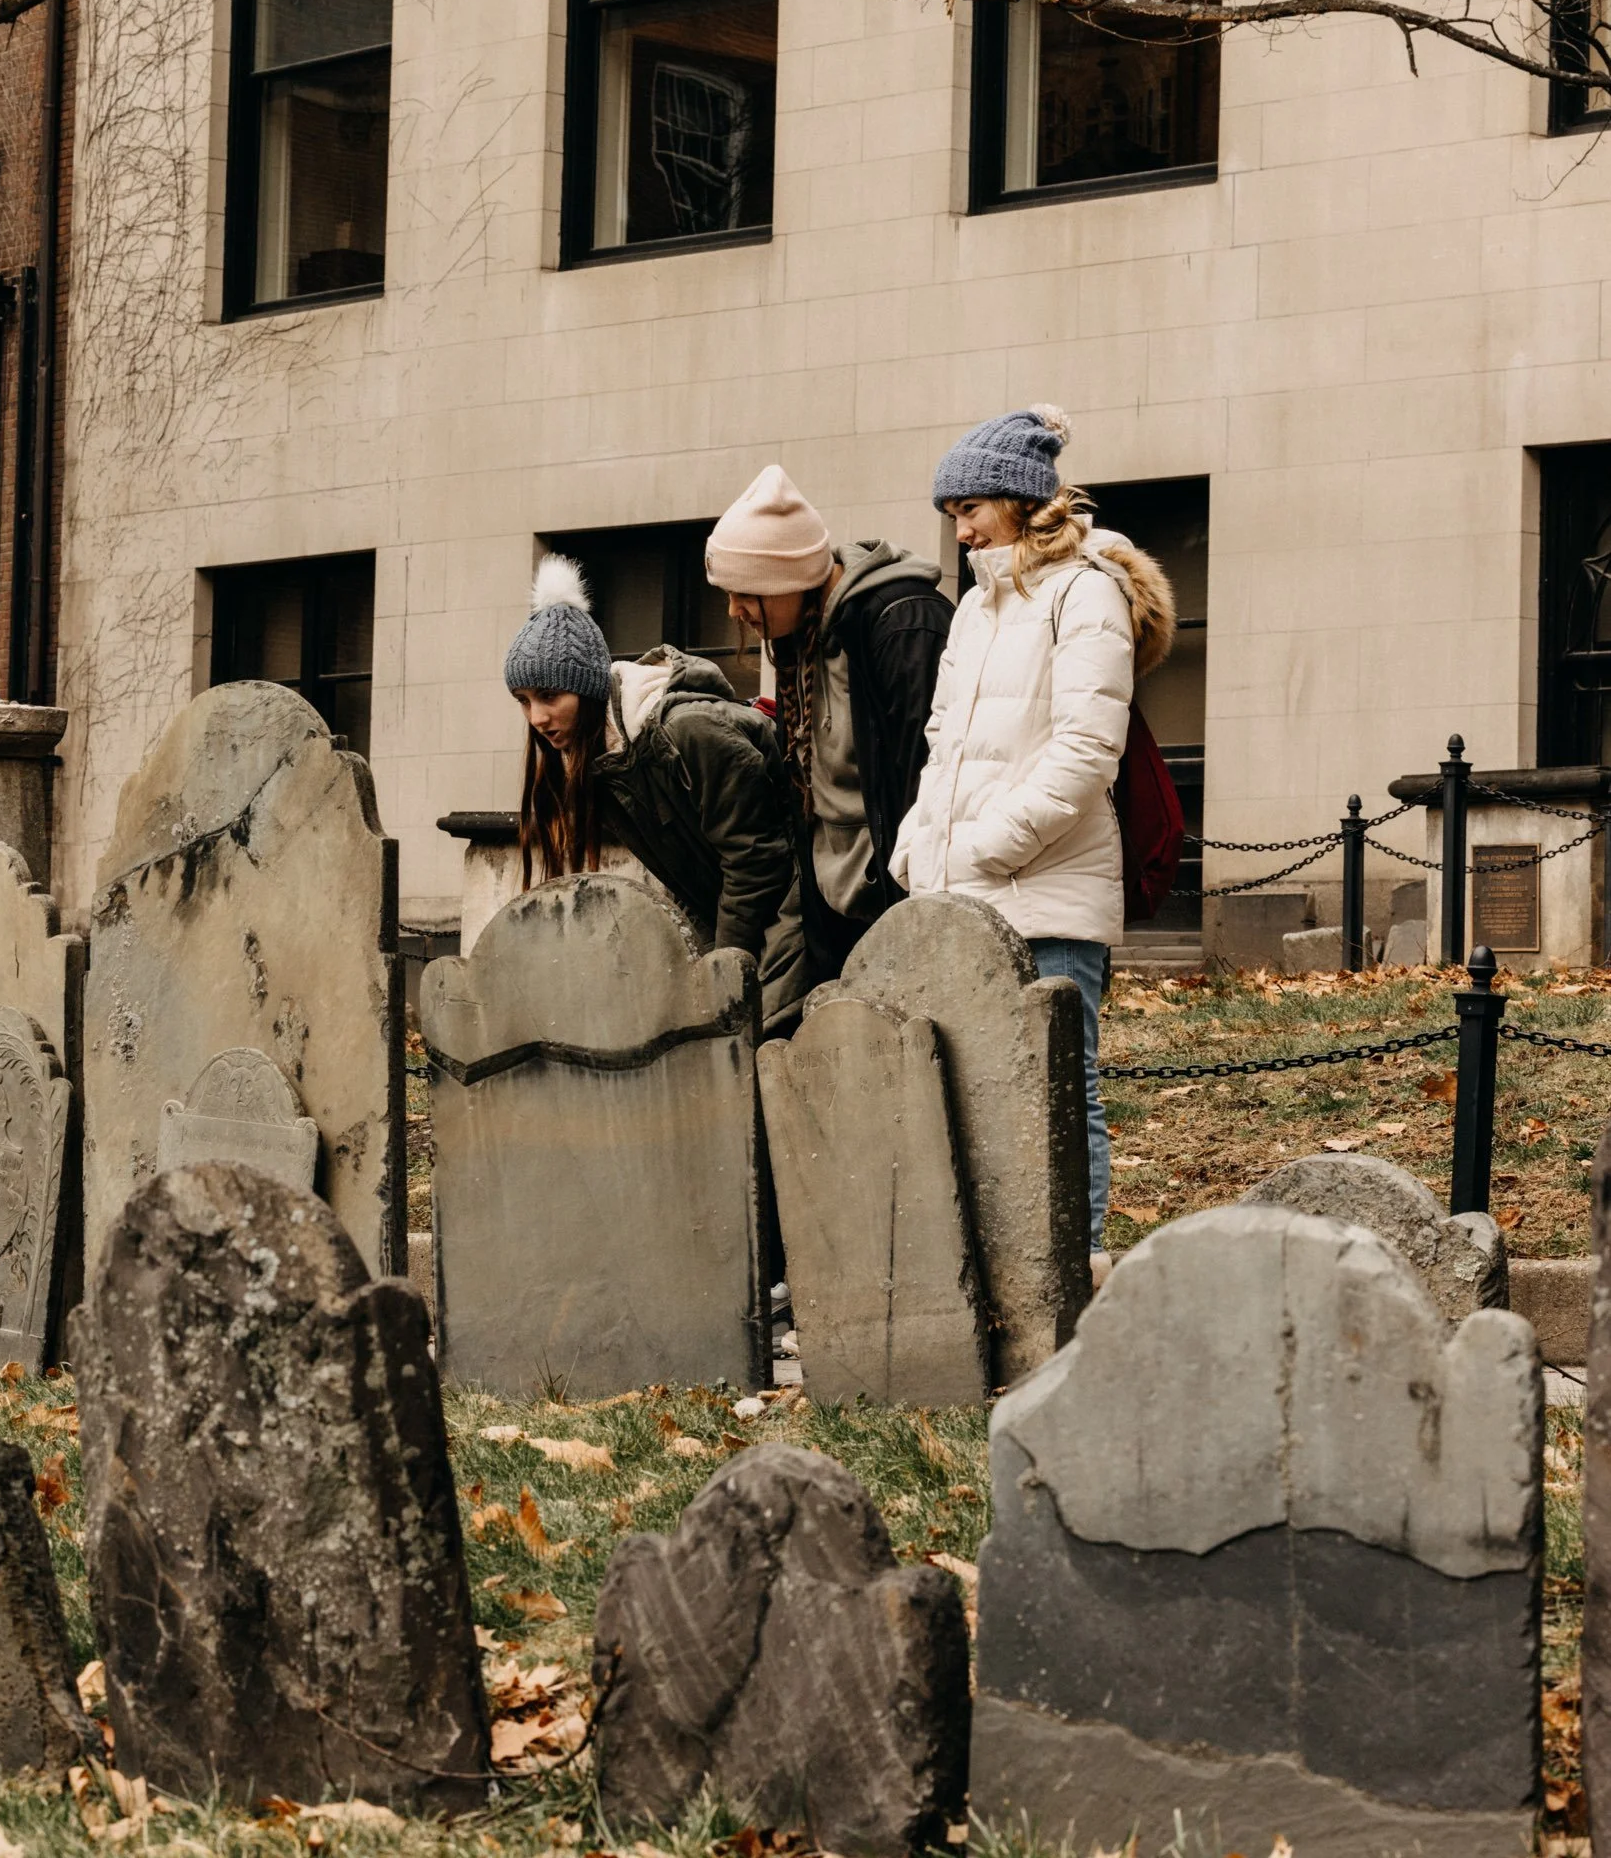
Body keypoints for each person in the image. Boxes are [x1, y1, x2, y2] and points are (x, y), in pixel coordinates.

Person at [890, 406, 1175, 1288]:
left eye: (969, 508)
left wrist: (985, 845)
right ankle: (996, 1278)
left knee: (1060, 1092)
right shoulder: (978, 604)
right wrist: (918, 849)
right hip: (963, 888)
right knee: (974, 1093)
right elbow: (945, 742)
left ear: (1017, 502)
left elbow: (1086, 751)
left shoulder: (1084, 591)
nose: (960, 527)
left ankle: (1070, 1278)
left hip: (1045, 888)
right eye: (951, 513)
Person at [502, 554, 802, 1014]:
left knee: (764, 1041)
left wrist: (721, 970)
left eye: (548, 696)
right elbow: (687, 877)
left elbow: (756, 861)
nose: (537, 718)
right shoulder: (606, 764)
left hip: (802, 908)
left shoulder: (687, 730)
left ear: (584, 689)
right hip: (749, 919)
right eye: (524, 701)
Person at [705, 465, 953, 994]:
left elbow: (926, 782)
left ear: (786, 579)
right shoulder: (799, 633)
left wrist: (905, 897)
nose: (734, 611)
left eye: (743, 591)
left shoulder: (903, 623)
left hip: (897, 898)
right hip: (833, 902)